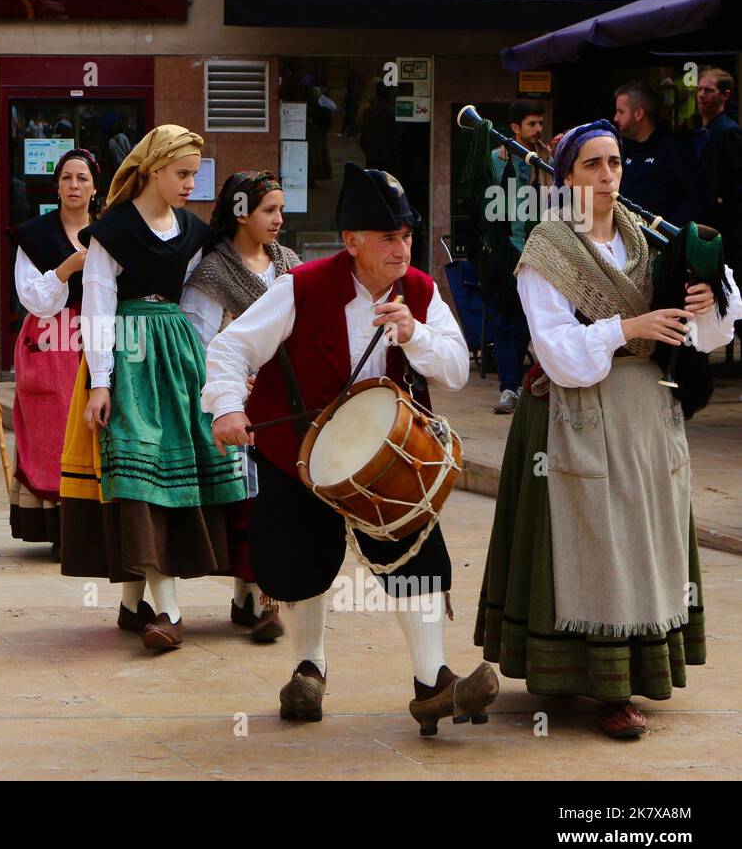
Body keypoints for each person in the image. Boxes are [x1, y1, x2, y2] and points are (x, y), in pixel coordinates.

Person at [205, 162, 495, 736]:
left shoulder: (421, 292)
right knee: (297, 560)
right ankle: (307, 671)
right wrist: (227, 407)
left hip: (384, 457)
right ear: (352, 241)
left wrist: (416, 334)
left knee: (417, 551)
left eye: (407, 235)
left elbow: (458, 371)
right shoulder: (302, 285)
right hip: (297, 448)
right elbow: (231, 347)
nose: (401, 247)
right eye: (388, 237)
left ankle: (431, 682)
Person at [475, 120, 742, 739]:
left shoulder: (647, 238)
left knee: (644, 540)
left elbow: (710, 328)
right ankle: (604, 685)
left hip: (648, 415)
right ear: (565, 176)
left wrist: (706, 306)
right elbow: (556, 346)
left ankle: (634, 667)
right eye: (591, 165)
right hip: (574, 411)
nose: (606, 175)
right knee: (593, 542)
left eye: (615, 162)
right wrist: (629, 328)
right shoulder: (548, 247)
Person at [59, 124, 247, 652]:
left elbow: (197, 305)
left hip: (179, 355)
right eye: (182, 174)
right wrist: (101, 382)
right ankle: (168, 609)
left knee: (174, 469)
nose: (191, 184)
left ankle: (131, 604)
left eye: (194, 174)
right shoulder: (113, 230)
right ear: (154, 170)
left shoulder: (191, 231)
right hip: (127, 356)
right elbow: (97, 305)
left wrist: (208, 362)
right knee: (139, 473)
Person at [181, 170, 299, 643]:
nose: (278, 220)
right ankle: (251, 599)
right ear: (240, 212)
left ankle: (268, 595)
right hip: (235, 405)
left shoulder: (289, 263)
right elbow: (198, 339)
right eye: (269, 210)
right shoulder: (212, 271)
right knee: (246, 503)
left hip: (283, 403)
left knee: (280, 502)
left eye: (280, 210)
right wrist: (232, 384)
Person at [7, 148, 96, 558]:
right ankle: (61, 524)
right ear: (57, 186)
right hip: (50, 336)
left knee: (99, 427)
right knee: (55, 429)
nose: (73, 185)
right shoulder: (36, 234)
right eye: (66, 178)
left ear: (95, 188)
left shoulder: (111, 230)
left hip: (99, 333)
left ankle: (96, 521)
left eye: (81, 178)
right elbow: (32, 297)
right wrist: (66, 269)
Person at [484, 100, 548, 415]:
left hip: (535, 249)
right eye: (532, 124)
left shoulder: (545, 160)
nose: (538, 130)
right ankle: (508, 387)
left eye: (540, 124)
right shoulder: (495, 160)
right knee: (502, 320)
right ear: (515, 128)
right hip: (504, 247)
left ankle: (517, 385)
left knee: (526, 319)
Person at [613, 81, 706, 230]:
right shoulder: (620, 148)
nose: (616, 118)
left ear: (639, 114)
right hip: (624, 237)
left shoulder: (674, 149)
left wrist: (666, 232)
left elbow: (695, 198)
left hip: (661, 243)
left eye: (621, 111)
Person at [693, 68, 742, 292]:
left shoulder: (727, 132)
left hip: (727, 226)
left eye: (709, 90)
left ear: (724, 95)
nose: (702, 95)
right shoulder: (704, 131)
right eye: (700, 89)